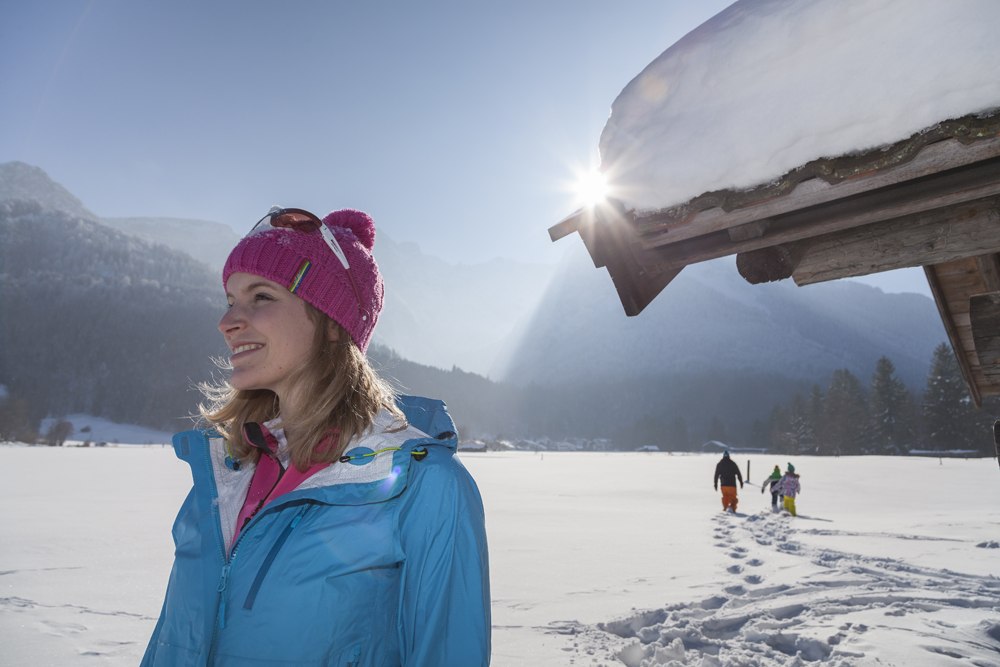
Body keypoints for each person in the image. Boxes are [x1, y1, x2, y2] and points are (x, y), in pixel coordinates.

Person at [141, 206, 491, 666]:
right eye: (230, 300)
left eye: (261, 297)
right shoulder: (226, 470)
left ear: (331, 323)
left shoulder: (424, 483)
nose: (227, 322)